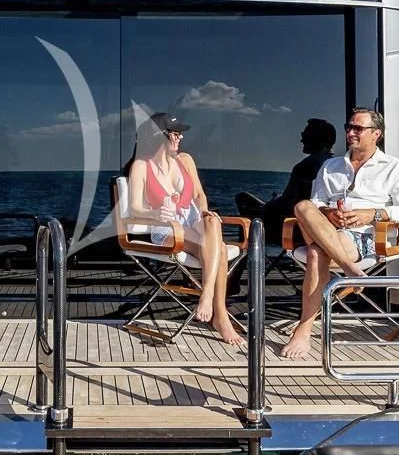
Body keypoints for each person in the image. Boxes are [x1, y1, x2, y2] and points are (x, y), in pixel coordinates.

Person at [280, 107, 399, 361]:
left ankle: (303, 330)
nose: (351, 133)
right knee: (303, 206)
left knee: (317, 254)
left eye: (358, 128)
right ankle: (351, 271)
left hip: (364, 236)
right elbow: (317, 204)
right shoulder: (331, 166)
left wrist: (371, 214)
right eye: (348, 127)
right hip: (329, 229)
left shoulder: (394, 167)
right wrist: (328, 214)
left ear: (377, 134)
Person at [125, 112, 246, 348]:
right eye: (175, 133)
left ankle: (207, 295)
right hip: (167, 227)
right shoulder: (141, 166)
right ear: (160, 137)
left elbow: (200, 195)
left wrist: (204, 211)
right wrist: (155, 213)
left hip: (193, 221)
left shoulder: (185, 160)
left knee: (213, 222)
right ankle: (220, 316)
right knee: (219, 249)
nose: (180, 137)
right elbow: (134, 208)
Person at [234, 118, 339, 240]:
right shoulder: (335, 167)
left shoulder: (305, 166)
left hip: (291, 228)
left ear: (316, 138)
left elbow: (287, 205)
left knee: (242, 198)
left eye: (305, 135)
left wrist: (271, 204)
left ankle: (248, 253)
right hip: (319, 228)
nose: (302, 139)